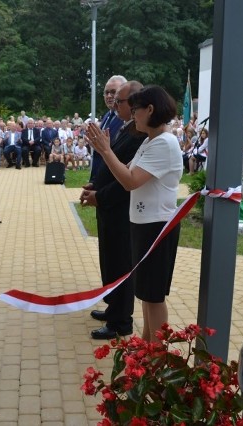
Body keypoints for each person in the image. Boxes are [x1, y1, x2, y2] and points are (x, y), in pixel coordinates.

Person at [87, 85, 183, 342]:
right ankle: (147, 348)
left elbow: (130, 180)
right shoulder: (151, 141)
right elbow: (123, 170)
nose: (132, 115)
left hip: (156, 226)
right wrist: (105, 154)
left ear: (150, 109)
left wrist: (105, 150)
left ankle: (158, 357)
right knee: (145, 294)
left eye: (136, 110)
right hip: (143, 223)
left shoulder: (164, 143)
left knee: (153, 296)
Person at [80, 80, 146, 339]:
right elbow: (109, 165)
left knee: (120, 264)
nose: (113, 103)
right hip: (107, 206)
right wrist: (94, 184)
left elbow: (126, 180)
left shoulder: (140, 136)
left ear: (134, 104)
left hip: (120, 209)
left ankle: (121, 321)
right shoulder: (124, 128)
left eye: (119, 100)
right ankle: (112, 307)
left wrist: (100, 196)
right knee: (108, 260)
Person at [89, 75, 127, 184]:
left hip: (114, 180)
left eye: (113, 92)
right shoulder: (107, 116)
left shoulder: (126, 119)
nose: (109, 96)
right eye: (106, 92)